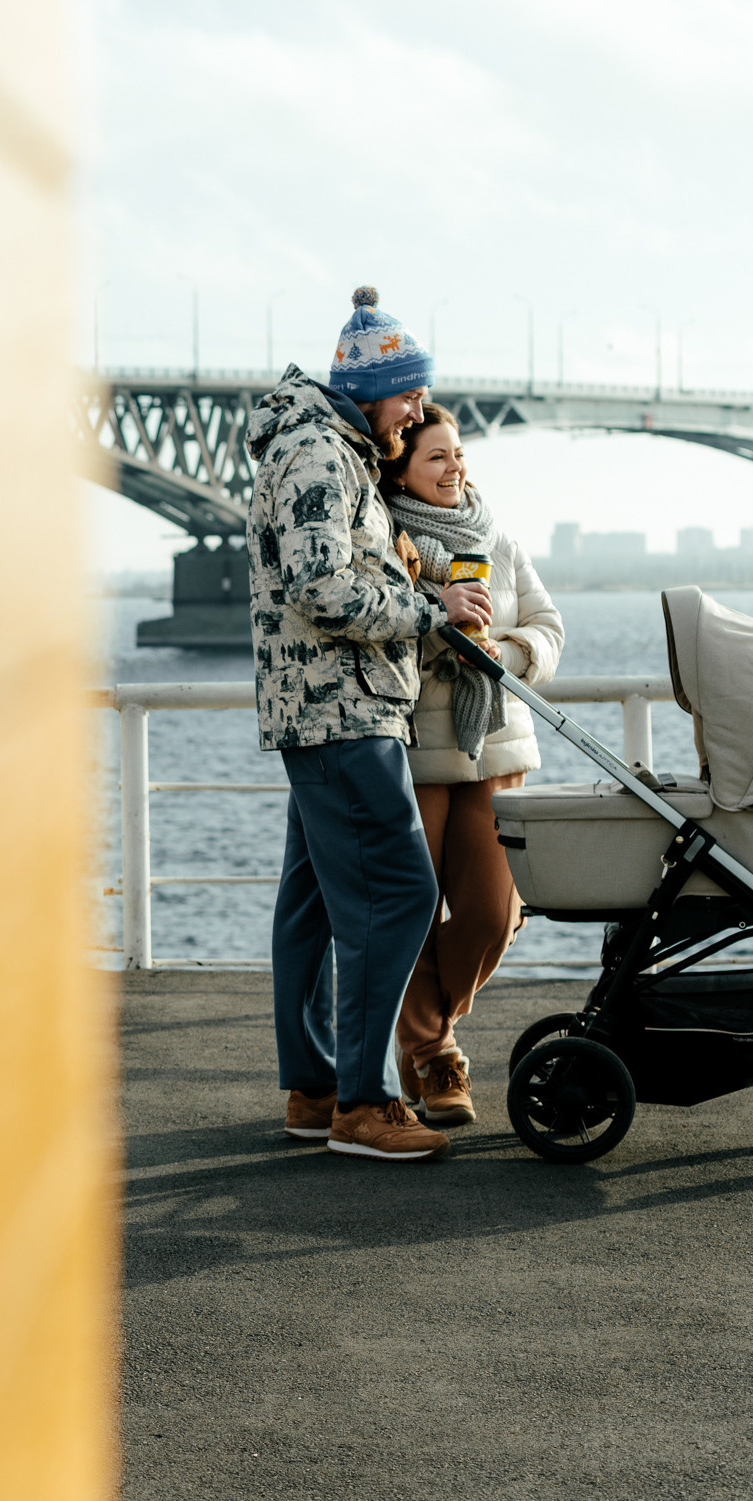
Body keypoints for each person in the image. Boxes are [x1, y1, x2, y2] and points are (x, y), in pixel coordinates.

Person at [247, 287, 491, 1161]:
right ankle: (366, 1100)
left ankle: (314, 1088)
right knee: (402, 892)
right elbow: (323, 587)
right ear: (371, 390)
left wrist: (416, 596)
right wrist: (429, 612)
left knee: (311, 904)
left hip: (325, 706)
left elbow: (335, 573)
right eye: (411, 395)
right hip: (339, 707)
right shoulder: (322, 454)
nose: (420, 410)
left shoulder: (329, 446)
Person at [382, 405, 564, 1125]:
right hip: (418, 755)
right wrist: (439, 628)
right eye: (436, 458)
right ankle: (437, 1056)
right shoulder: (389, 548)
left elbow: (548, 628)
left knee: (494, 912)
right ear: (400, 470)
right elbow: (378, 641)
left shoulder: (498, 538)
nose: (457, 466)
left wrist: (507, 654)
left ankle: (422, 1033)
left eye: (458, 453)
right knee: (411, 914)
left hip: (496, 747)